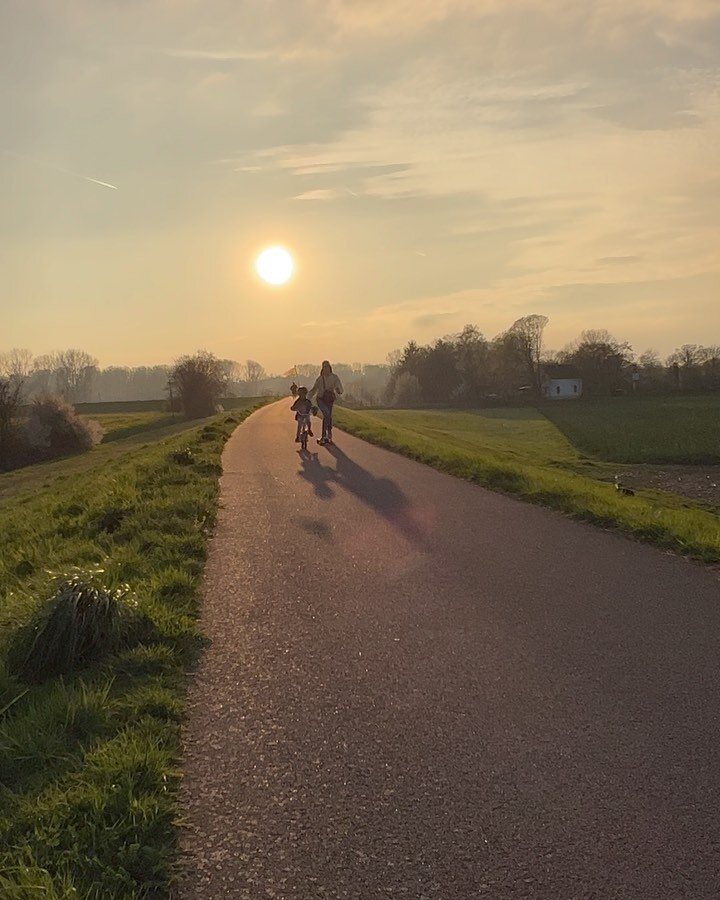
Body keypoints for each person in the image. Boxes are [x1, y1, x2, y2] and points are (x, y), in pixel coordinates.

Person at [309, 360, 343, 445]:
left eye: (327, 367)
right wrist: (307, 398)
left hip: (329, 400)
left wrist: (339, 390)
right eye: (324, 367)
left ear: (330, 368)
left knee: (328, 416)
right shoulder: (320, 379)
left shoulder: (334, 377)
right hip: (321, 399)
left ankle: (329, 433)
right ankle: (324, 436)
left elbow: (338, 386)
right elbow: (314, 389)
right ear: (322, 368)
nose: (326, 369)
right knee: (326, 414)